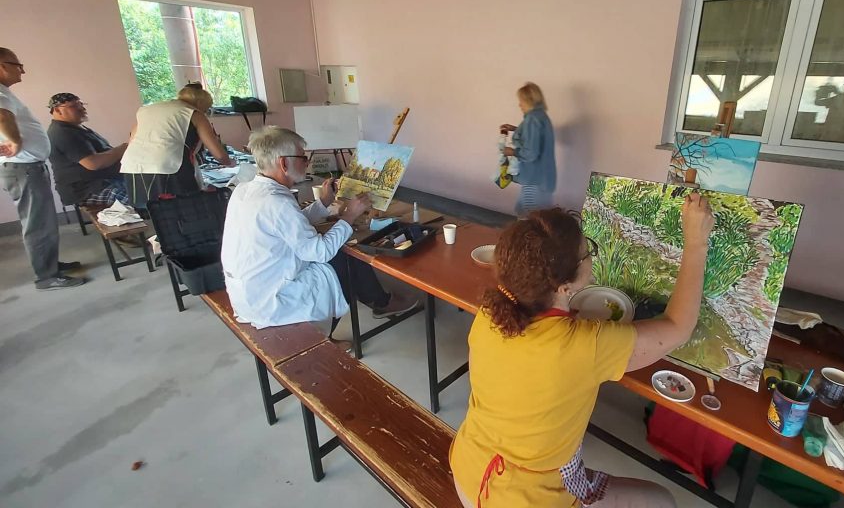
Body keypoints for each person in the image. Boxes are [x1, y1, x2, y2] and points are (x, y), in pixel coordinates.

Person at [449, 198, 714, 508]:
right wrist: (696, 243)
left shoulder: (490, 313)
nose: (590, 255)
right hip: (526, 499)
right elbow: (678, 326)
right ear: (564, 287)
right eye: (587, 252)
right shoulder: (584, 346)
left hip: (469, 468)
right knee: (661, 501)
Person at [220, 126, 419, 333]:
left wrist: (323, 202)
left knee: (340, 248)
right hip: (272, 300)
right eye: (302, 157)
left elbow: (288, 225)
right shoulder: (276, 202)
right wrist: (349, 215)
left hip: (248, 293)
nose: (307, 162)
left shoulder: (245, 189)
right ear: (284, 163)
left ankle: (377, 300)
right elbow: (320, 252)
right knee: (344, 256)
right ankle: (367, 311)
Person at [0, 48, 84, 290]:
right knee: (38, 223)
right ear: (2, 66)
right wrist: (15, 141)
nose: (22, 70)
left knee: (43, 221)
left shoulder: (5, 92)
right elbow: (3, 117)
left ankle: (50, 265)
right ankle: (47, 277)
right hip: (23, 168)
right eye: (17, 65)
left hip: (28, 167)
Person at [119, 84, 234, 211]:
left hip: (132, 166)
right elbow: (219, 154)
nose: (206, 112)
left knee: (149, 212)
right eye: (206, 109)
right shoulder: (193, 113)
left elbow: (132, 141)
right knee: (184, 211)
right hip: (166, 167)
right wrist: (230, 162)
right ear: (200, 104)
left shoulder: (148, 110)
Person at [46, 93, 129, 208]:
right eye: (74, 106)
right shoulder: (62, 133)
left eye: (81, 104)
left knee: (148, 190)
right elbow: (93, 163)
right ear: (57, 110)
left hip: (106, 181)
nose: (82, 108)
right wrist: (124, 147)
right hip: (87, 190)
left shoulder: (76, 128)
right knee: (139, 200)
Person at [499, 82, 557, 217]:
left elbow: (531, 153)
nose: (519, 105)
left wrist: (512, 152)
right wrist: (515, 129)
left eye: (521, 101)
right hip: (543, 179)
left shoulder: (533, 119)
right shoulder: (541, 116)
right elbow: (534, 137)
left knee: (529, 218)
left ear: (529, 100)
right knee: (536, 216)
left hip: (534, 179)